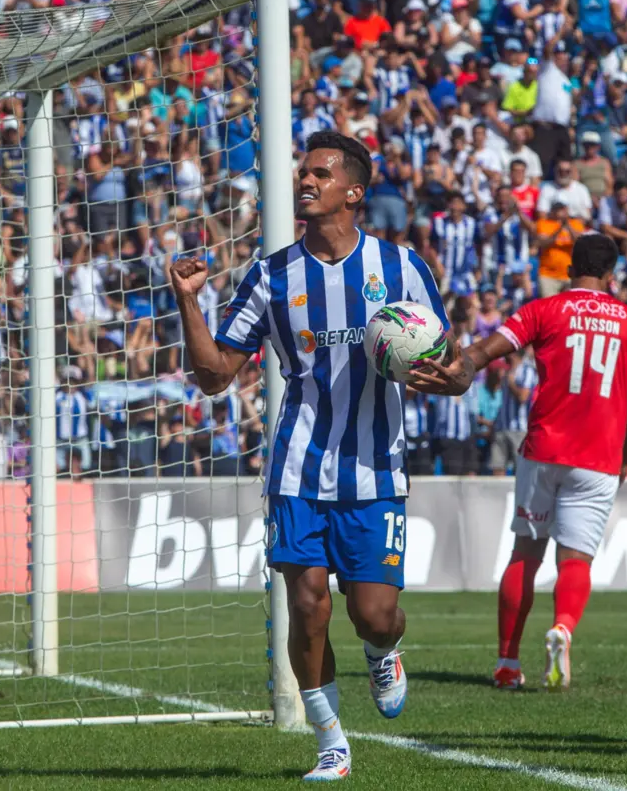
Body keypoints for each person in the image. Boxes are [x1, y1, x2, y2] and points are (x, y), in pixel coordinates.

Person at [169, 130, 471, 783]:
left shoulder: (401, 267)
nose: (305, 181)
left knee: (374, 613)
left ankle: (384, 650)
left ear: (354, 192)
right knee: (306, 604)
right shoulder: (272, 274)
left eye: (320, 174)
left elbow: (448, 360)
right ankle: (331, 741)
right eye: (303, 172)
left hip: (374, 471)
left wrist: (452, 376)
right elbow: (216, 372)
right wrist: (189, 302)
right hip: (298, 468)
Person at [420, 233, 627, 691]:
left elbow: (486, 352)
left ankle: (507, 661)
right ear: (611, 275)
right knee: (576, 560)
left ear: (570, 269)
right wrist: (625, 458)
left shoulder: (544, 310)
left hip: (544, 448)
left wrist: (455, 368)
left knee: (525, 552)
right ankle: (562, 627)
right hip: (599, 455)